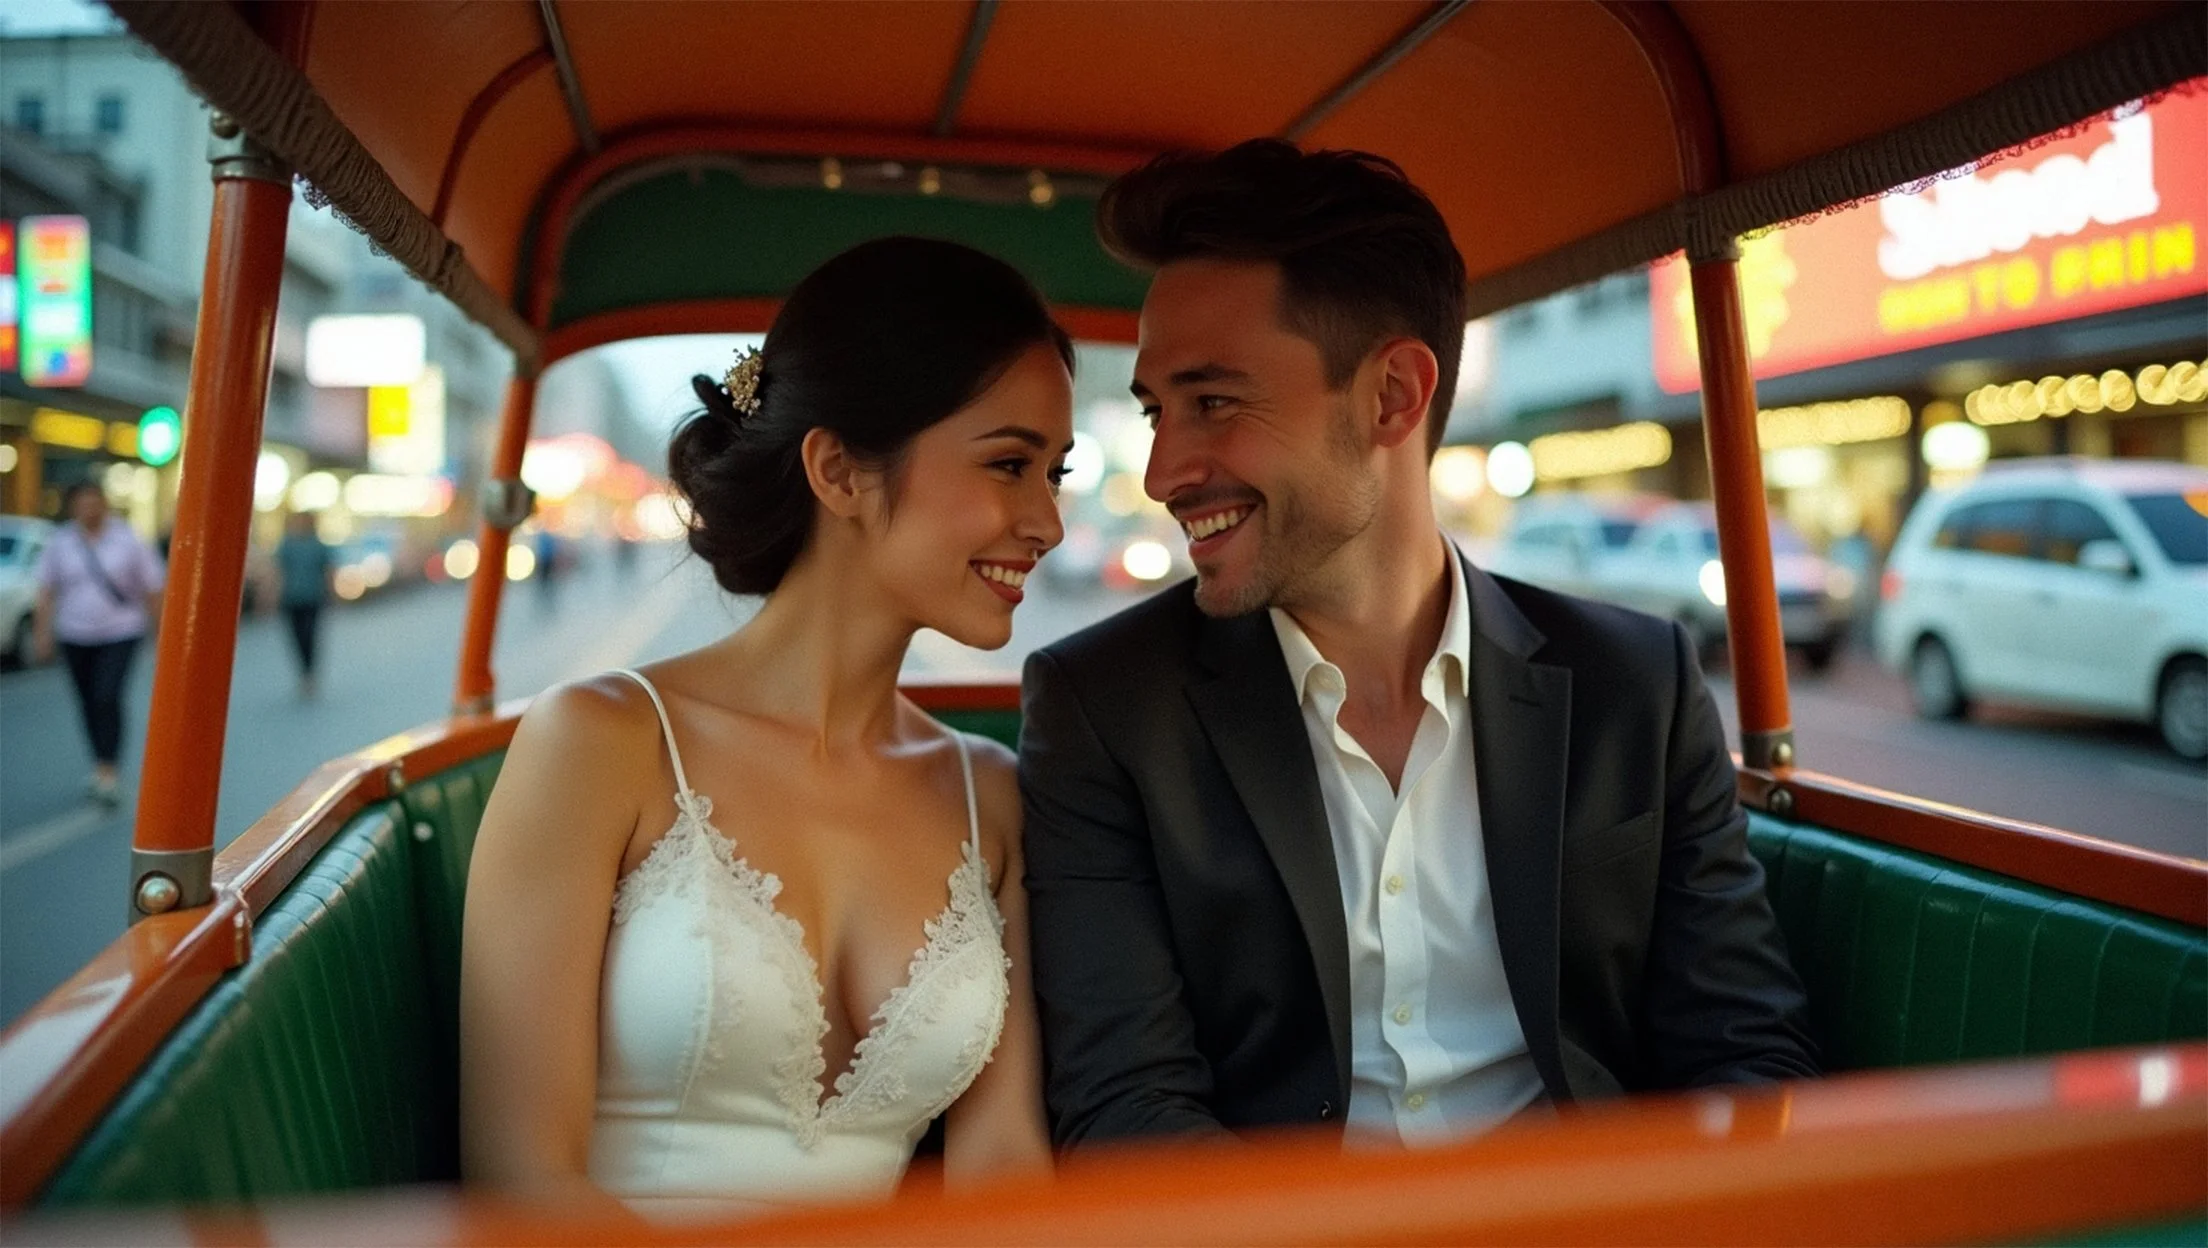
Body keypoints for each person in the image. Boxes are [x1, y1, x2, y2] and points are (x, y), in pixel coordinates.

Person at [1020, 140, 1817, 1153]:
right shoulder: (1106, 707)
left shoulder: (1635, 685)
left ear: (1393, 394)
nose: (1164, 470)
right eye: (1155, 412)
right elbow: (1129, 1107)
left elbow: (1746, 1049)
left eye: (1213, 402)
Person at [460, 238, 1072, 1221]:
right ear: (838, 470)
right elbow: (525, 1176)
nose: (1049, 520)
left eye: (1055, 473)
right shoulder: (601, 744)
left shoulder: (989, 795)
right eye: (1010, 464)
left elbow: (1002, 1165)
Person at [32, 481, 166, 807]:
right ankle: (99, 761)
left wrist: (160, 633)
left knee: (107, 696)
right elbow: (46, 590)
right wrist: (42, 633)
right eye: (82, 504)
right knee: (88, 701)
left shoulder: (128, 539)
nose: (89, 510)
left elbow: (152, 588)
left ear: (104, 505)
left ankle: (109, 768)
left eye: (94, 503)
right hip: (75, 633)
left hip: (121, 631)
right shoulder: (61, 542)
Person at [274, 510, 334, 698]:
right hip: (291, 599)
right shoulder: (287, 545)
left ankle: (309, 674)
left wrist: (331, 593)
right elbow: (278, 572)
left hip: (312, 597)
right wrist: (270, 596)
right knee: (296, 637)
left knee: (310, 635)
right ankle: (304, 672)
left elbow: (328, 571)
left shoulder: (317, 545)